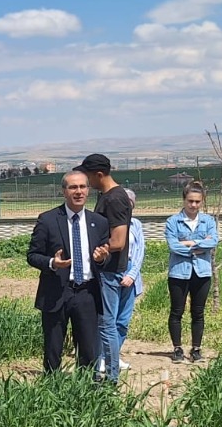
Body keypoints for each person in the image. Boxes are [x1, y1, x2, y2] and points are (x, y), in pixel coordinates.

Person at [27, 170, 109, 372]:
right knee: (53, 349)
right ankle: (52, 389)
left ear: (88, 190)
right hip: (56, 292)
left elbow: (105, 259)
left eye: (82, 187)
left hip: (87, 293)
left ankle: (86, 391)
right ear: (64, 191)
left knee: (88, 349)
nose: (78, 191)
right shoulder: (48, 220)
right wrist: (53, 263)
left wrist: (102, 258)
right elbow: (32, 255)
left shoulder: (98, 222)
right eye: (73, 187)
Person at [81, 154, 134, 383]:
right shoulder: (109, 196)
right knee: (104, 323)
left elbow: (118, 241)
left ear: (99, 175)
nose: (86, 182)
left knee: (107, 325)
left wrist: (90, 249)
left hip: (109, 270)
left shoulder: (115, 199)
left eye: (88, 176)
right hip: (104, 269)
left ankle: (111, 376)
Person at [164, 182, 218, 364]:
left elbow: (213, 241)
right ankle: (177, 348)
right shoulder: (173, 221)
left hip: (202, 273)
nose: (193, 205)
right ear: (184, 200)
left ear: (202, 202)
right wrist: (199, 244)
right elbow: (173, 246)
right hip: (179, 273)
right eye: (190, 201)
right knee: (177, 311)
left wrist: (187, 243)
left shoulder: (209, 221)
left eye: (197, 202)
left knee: (198, 312)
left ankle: (196, 348)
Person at [100, 189, 145, 377]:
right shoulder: (107, 226)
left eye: (130, 204)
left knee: (122, 321)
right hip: (111, 275)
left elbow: (140, 250)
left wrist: (132, 275)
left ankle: (115, 356)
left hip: (130, 279)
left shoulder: (136, 225)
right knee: (107, 321)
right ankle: (103, 357)